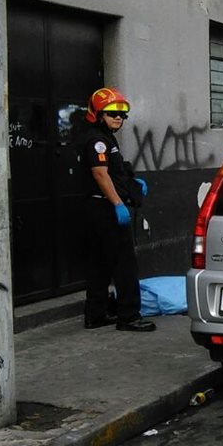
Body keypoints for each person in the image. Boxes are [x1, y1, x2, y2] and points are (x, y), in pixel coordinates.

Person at [78, 87, 157, 332]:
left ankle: (96, 314)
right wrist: (118, 203)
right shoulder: (98, 140)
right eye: (112, 113)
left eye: (122, 115)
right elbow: (100, 174)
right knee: (125, 264)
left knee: (100, 263)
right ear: (98, 114)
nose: (118, 118)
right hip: (105, 208)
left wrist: (132, 184)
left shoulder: (104, 137)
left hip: (98, 208)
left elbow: (114, 170)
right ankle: (129, 316)